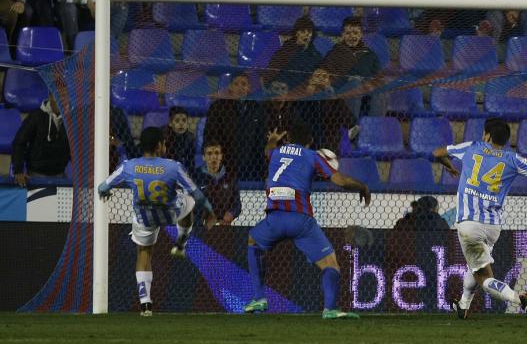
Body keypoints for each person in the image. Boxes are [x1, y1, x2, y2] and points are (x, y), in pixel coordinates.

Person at [433, 117, 527, 321]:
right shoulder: (512, 159)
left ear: (488, 136)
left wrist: (449, 166)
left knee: (484, 277)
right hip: (493, 226)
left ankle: (521, 300)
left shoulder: (472, 147)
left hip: (469, 224)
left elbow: (437, 153)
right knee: (475, 266)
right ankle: (463, 305)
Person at [244, 122, 371, 319]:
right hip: (300, 221)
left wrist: (272, 140)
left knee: (253, 242)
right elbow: (339, 180)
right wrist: (361, 186)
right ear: (310, 142)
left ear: (289, 138)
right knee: (331, 264)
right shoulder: (313, 156)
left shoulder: (276, 153)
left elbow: (267, 150)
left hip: (274, 219)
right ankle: (329, 309)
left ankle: (259, 298)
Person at [97, 127, 217, 316]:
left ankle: (145, 304)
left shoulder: (129, 166)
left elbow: (103, 186)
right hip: (170, 212)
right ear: (160, 145)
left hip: (144, 217)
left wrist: (106, 192)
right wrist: (210, 211)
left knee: (144, 254)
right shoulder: (173, 166)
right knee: (189, 201)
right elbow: (197, 194)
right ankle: (181, 242)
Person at [320, 16, 381, 119]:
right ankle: (352, 128)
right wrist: (347, 80)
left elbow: (378, 77)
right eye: (348, 33)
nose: (352, 36)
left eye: (356, 33)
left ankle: (373, 126)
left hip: (366, 94)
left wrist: (367, 82)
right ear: (342, 35)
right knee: (355, 83)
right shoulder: (334, 53)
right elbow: (323, 74)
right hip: (341, 93)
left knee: (378, 90)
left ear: (361, 34)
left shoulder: (370, 54)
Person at [12, 95, 70, 187]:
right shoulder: (36, 116)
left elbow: (77, 148)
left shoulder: (71, 119)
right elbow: (19, 142)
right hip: (35, 176)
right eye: (58, 97)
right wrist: (18, 170)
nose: (62, 101)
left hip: (60, 175)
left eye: (65, 98)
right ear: (51, 98)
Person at [262, 16, 323, 91]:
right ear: (296, 33)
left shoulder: (315, 55)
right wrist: (271, 83)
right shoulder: (285, 50)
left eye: (309, 32)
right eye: (303, 31)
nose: (306, 34)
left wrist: (312, 84)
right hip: (281, 88)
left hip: (303, 90)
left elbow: (320, 73)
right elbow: (271, 71)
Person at [193, 141, 241, 227]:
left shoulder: (230, 176)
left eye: (217, 153)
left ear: (221, 156)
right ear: (204, 157)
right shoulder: (196, 176)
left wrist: (231, 214)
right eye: (209, 153)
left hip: (223, 224)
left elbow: (237, 204)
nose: (214, 157)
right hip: (200, 225)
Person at [162, 106, 195, 173]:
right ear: (170, 123)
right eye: (177, 120)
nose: (181, 124)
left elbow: (191, 162)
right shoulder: (163, 135)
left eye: (184, 120)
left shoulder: (190, 138)